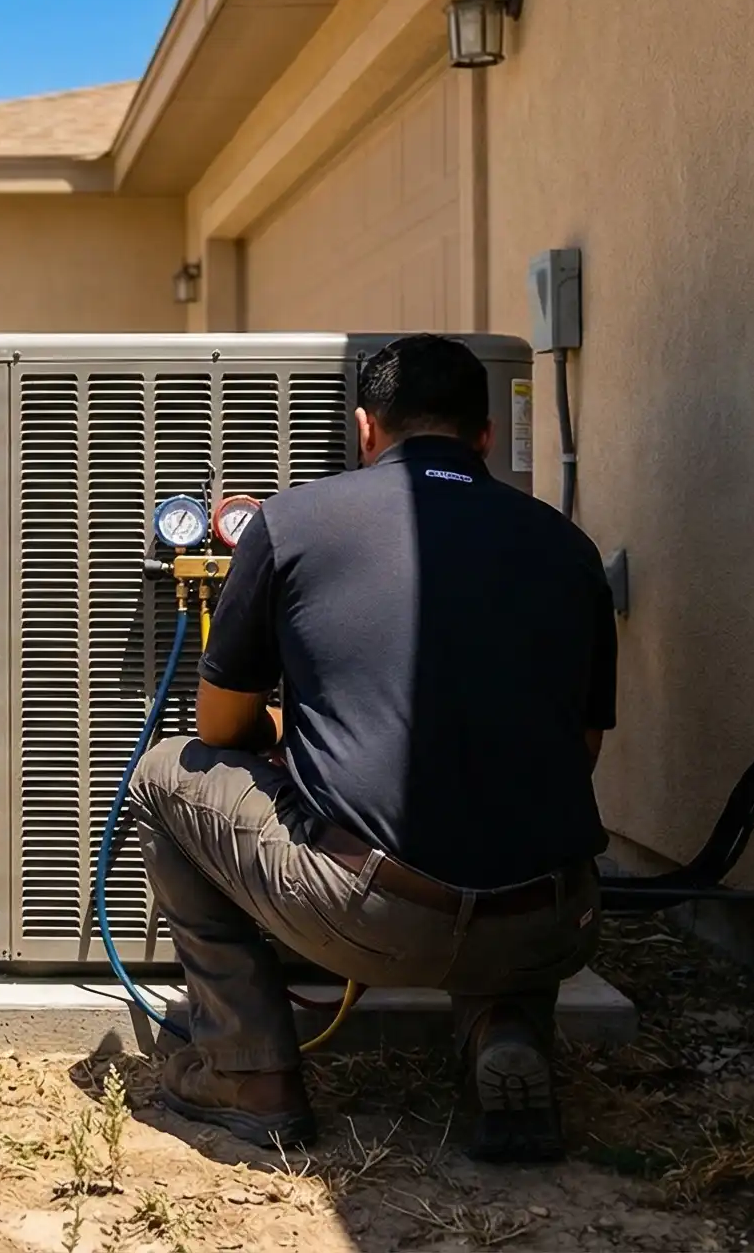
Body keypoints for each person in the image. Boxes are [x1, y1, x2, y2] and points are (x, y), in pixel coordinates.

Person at [128, 333, 615, 1161]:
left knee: (163, 774)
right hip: (553, 922)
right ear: (487, 436)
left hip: (370, 917)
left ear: (364, 428)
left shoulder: (290, 524)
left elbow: (218, 730)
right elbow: (581, 750)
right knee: (513, 814)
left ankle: (250, 1074)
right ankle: (505, 1025)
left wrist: (300, 735)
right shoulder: (569, 548)